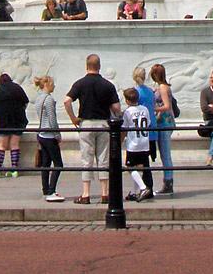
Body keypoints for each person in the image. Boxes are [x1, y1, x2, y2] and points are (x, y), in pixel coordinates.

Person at [64, 54, 121, 204]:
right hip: (103, 124)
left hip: (86, 123)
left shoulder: (80, 83)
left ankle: (86, 194)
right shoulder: (108, 85)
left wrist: (73, 118)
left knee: (86, 159)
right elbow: (116, 108)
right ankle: (104, 193)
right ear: (99, 66)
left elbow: (67, 101)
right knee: (103, 159)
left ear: (86, 66)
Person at [0, 73, 28, 178]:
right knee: (14, 144)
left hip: (2, 120)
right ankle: (14, 170)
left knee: (1, 146)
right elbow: (25, 103)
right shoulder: (18, 88)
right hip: (18, 120)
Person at [33, 75, 64, 202]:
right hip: (49, 135)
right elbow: (52, 119)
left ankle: (45, 189)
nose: (54, 86)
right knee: (58, 164)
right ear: (47, 84)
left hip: (41, 134)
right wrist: (58, 134)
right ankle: (52, 190)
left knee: (45, 163)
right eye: (52, 83)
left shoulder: (39, 98)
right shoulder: (49, 99)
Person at [122, 88, 153, 201]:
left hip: (133, 144)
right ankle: (135, 192)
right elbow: (148, 123)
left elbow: (124, 127)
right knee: (139, 167)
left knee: (130, 167)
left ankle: (143, 188)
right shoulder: (144, 109)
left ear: (127, 101)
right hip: (144, 143)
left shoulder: (127, 112)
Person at [150, 63, 176, 195]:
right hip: (163, 122)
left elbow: (166, 106)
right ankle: (167, 181)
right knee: (163, 152)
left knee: (165, 153)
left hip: (164, 122)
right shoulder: (161, 87)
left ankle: (168, 182)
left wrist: (153, 109)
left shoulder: (163, 88)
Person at [133, 66, 157, 163]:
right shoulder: (150, 91)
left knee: (138, 161)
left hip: (140, 128)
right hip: (151, 126)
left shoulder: (135, 92)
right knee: (146, 160)